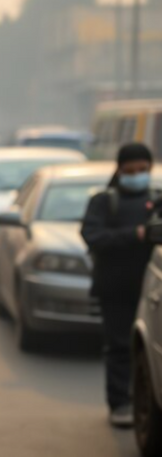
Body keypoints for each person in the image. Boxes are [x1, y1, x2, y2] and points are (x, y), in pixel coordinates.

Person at [81, 142, 159, 428]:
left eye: (143, 169)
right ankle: (120, 403)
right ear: (120, 169)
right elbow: (93, 236)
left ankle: (145, 403)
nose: (138, 174)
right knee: (118, 347)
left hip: (152, 289)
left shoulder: (157, 201)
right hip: (115, 288)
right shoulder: (103, 201)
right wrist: (136, 234)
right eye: (131, 170)